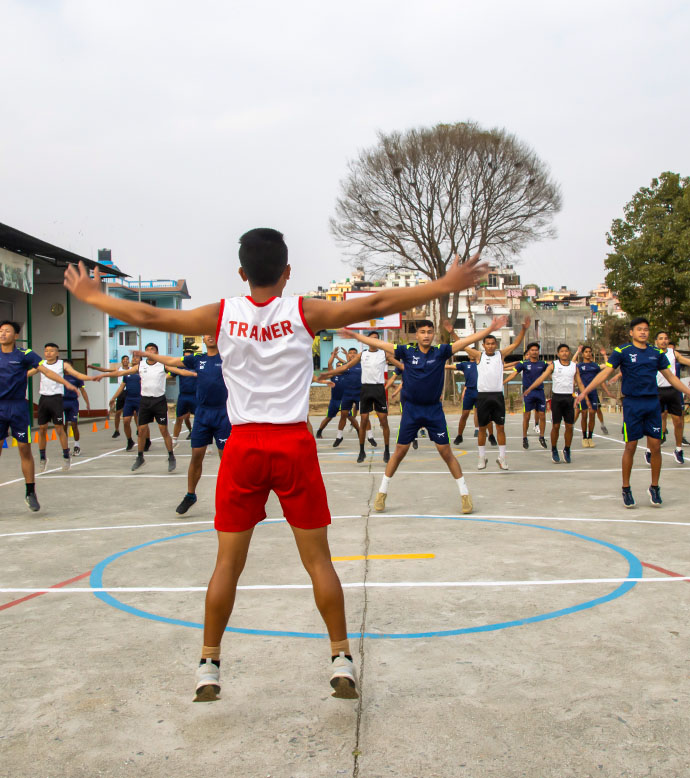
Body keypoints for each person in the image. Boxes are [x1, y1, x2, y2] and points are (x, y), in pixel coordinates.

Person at [64, 228, 486, 703]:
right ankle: (341, 656)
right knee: (318, 560)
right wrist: (444, 285)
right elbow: (373, 305)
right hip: (292, 444)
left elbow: (146, 314)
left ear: (242, 274)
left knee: (228, 563)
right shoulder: (303, 311)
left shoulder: (222, 314)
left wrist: (91, 295)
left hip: (243, 446)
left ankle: (209, 664)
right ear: (288, 272)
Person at [365, 318, 503, 514]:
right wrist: (355, 335)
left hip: (433, 411)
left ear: (433, 335)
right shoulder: (407, 352)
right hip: (411, 410)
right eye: (423, 332)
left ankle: (465, 495)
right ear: (417, 335)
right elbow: (380, 344)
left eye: (430, 331)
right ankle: (381, 493)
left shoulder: (441, 352)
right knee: (399, 452)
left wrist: (489, 328)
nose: (427, 335)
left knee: (446, 452)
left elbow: (464, 342)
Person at [574, 317, 690, 508]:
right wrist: (585, 391)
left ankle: (654, 487)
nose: (643, 332)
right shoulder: (623, 352)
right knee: (631, 446)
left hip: (652, 403)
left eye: (646, 329)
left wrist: (687, 392)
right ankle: (626, 488)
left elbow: (671, 377)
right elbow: (605, 373)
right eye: (639, 329)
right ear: (632, 332)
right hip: (632, 404)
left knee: (656, 447)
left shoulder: (656, 353)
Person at [133, 335, 232, 514]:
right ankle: (190, 495)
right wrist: (149, 356)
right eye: (207, 334)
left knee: (226, 460)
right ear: (203, 338)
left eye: (213, 332)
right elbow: (171, 360)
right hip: (202, 414)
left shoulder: (228, 357)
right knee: (196, 456)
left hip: (223, 414)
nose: (210, 336)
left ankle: (230, 498)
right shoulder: (197, 359)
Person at [0, 321, 79, 511]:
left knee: (24, 450)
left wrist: (66, 383)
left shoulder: (25, 355)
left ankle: (30, 492)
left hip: (18, 407)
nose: (2, 334)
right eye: (0, 331)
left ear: (16, 335)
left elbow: (46, 371)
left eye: (7, 331)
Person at [453, 315, 529, 471]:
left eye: (493, 343)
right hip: (482, 397)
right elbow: (462, 345)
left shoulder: (500, 355)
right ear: (483, 345)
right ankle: (482, 458)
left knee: (500, 428)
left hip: (497, 396)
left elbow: (516, 343)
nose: (490, 346)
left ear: (496, 344)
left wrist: (523, 329)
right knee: (482, 428)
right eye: (487, 344)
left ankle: (502, 458)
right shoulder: (478, 356)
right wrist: (451, 332)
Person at [106, 343, 195, 472]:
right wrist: (102, 375)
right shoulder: (140, 366)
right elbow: (122, 372)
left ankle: (171, 456)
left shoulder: (163, 365)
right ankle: (140, 457)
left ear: (156, 353)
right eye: (147, 350)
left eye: (152, 350)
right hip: (145, 401)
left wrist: (194, 375)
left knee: (163, 430)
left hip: (159, 401)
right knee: (141, 430)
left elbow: (179, 371)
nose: (150, 351)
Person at [325, 332, 402, 463]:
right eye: (371, 339)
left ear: (379, 341)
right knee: (364, 420)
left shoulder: (384, 354)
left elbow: (400, 364)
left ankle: (387, 450)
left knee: (383, 421)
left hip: (378, 389)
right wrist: (330, 372)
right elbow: (347, 365)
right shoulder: (363, 354)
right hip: (365, 389)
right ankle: (361, 451)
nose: (373, 342)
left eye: (376, 340)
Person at [28, 342, 98, 472]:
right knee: (42, 429)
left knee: (59, 429)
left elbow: (76, 374)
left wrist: (91, 378)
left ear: (57, 353)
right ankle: (43, 458)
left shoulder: (62, 364)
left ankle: (66, 456)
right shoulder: (41, 364)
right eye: (46, 350)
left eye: (51, 351)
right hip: (43, 399)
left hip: (57, 399)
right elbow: (28, 373)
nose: (48, 353)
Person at [522, 344, 586, 464]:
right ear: (558, 354)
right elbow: (541, 378)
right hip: (557, 399)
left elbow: (580, 383)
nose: (564, 353)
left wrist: (585, 396)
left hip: (569, 399)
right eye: (562, 351)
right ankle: (554, 449)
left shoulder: (574, 366)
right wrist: (530, 388)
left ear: (569, 353)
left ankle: (567, 449)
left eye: (567, 351)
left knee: (569, 427)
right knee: (555, 426)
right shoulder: (553, 365)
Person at [642, 332, 690, 465]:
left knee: (678, 421)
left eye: (666, 339)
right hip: (656, 391)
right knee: (653, 422)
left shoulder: (673, 353)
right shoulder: (650, 352)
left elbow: (687, 361)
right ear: (656, 341)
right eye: (661, 339)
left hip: (673, 390)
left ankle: (678, 449)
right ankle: (649, 450)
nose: (663, 341)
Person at [503, 342, 548, 450]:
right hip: (528, 393)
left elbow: (552, 371)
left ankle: (541, 437)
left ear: (538, 351)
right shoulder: (523, 364)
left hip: (540, 392)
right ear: (528, 352)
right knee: (526, 417)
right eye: (532, 350)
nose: (534, 352)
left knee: (542, 415)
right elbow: (513, 374)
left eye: (536, 350)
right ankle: (524, 438)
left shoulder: (543, 364)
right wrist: (503, 382)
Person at [316, 348, 357, 438]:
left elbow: (349, 363)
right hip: (334, 401)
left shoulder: (347, 374)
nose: (339, 367)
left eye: (340, 366)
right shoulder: (333, 375)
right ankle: (319, 432)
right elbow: (329, 364)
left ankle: (359, 431)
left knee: (351, 418)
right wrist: (333, 355)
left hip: (345, 401)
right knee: (328, 418)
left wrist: (346, 355)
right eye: (337, 366)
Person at [107, 355, 144, 451]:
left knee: (141, 423)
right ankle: (130, 440)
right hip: (129, 399)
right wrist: (113, 398)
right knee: (126, 421)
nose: (134, 359)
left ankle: (146, 440)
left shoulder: (143, 371)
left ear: (141, 360)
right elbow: (121, 387)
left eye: (136, 357)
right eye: (133, 358)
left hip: (140, 399)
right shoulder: (127, 374)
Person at [89, 356, 130, 438]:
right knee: (118, 413)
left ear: (128, 361)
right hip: (121, 392)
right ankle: (117, 430)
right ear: (122, 361)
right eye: (124, 359)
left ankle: (138, 429)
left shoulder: (132, 369)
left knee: (135, 413)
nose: (125, 361)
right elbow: (105, 370)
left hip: (130, 391)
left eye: (127, 359)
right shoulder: (118, 370)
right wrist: (94, 367)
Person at [331, 346, 363, 447]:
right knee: (343, 415)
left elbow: (350, 360)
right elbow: (345, 362)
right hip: (347, 394)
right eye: (350, 353)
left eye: (354, 353)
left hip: (360, 394)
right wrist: (335, 357)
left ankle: (369, 436)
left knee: (364, 416)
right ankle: (339, 436)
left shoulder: (362, 365)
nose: (352, 354)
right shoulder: (345, 366)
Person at [63, 360, 91, 456]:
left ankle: (77, 445)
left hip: (73, 403)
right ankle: (65, 446)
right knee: (63, 426)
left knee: (74, 424)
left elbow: (83, 391)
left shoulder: (77, 377)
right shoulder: (59, 376)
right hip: (62, 402)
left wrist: (87, 403)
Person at [172, 348, 197, 447]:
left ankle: (207, 442)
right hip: (183, 395)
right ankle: (174, 439)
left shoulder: (197, 366)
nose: (187, 358)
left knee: (199, 418)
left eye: (189, 356)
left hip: (195, 395)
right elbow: (169, 375)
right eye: (185, 356)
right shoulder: (179, 367)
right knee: (179, 418)